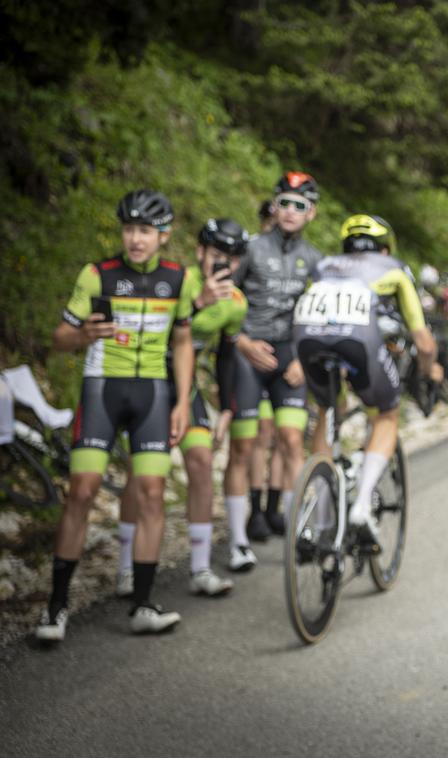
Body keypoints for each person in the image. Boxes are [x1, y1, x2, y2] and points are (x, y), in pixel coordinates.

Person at [38, 190, 196, 641]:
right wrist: (83, 334)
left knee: (151, 492)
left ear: (163, 235)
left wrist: (183, 401)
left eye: (145, 230)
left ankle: (142, 604)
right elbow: (59, 337)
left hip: (153, 394)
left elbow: (183, 341)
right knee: (82, 491)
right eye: (128, 229)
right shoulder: (98, 275)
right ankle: (55, 609)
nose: (135, 239)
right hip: (102, 390)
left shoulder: (178, 280)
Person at [116, 219, 250, 600]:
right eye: (216, 256)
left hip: (187, 388)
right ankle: (126, 568)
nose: (222, 265)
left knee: (202, 462)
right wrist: (198, 303)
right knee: (141, 475)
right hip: (149, 382)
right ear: (200, 253)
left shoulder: (236, 303)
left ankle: (201, 567)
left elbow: (226, 355)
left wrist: (227, 407)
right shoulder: (176, 282)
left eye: (231, 260)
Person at [294, 214, 437, 547]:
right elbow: (424, 341)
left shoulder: (324, 266)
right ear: (385, 249)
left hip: (307, 337)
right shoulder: (394, 268)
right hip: (360, 340)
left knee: (330, 410)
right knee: (386, 415)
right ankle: (359, 507)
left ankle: (325, 518)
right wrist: (430, 372)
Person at [225, 172, 323, 569]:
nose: (290, 211)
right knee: (249, 442)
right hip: (249, 353)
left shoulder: (315, 259)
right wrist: (242, 342)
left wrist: (303, 358)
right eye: (283, 202)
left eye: (299, 206)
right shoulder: (250, 248)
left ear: (311, 214)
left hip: (289, 356)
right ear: (273, 206)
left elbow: (317, 316)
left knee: (291, 439)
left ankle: (298, 528)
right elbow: (223, 300)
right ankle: (245, 526)